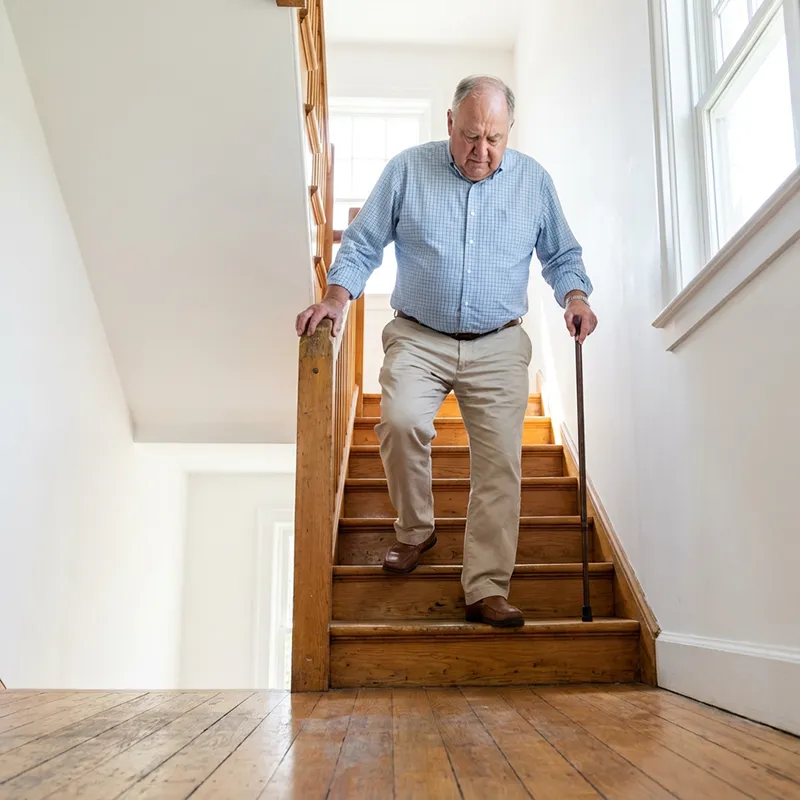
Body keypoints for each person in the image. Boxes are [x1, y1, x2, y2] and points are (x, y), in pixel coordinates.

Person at [295, 75, 597, 627]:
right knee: (400, 421)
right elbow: (362, 243)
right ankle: (416, 531)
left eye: (494, 138)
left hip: (499, 343)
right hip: (418, 336)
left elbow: (561, 255)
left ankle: (486, 587)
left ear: (509, 132)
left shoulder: (533, 182)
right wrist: (336, 298)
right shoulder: (408, 169)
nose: (481, 151)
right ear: (450, 123)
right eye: (470, 136)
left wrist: (574, 297)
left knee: (500, 463)